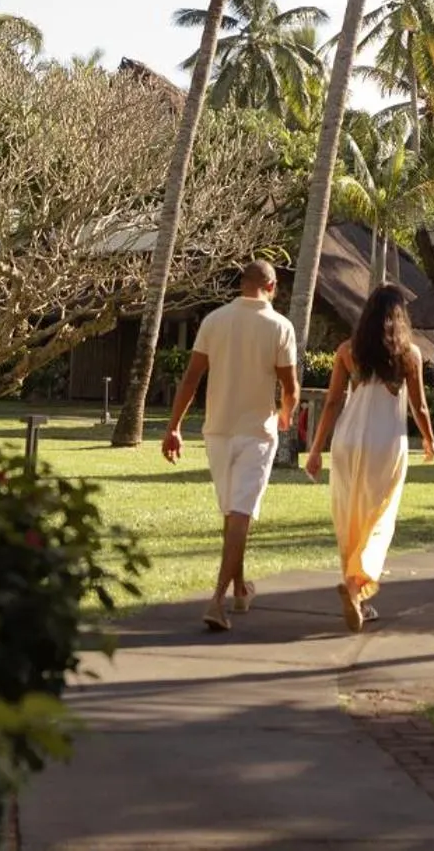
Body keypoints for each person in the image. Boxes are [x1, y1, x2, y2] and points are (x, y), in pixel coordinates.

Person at [162, 260, 299, 632]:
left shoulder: (214, 321)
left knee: (232, 513)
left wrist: (173, 426)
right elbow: (290, 386)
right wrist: (286, 414)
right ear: (272, 287)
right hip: (256, 431)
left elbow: (191, 379)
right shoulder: (280, 326)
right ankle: (218, 600)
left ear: (243, 284)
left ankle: (240, 589)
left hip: (216, 430)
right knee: (240, 514)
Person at [304, 285, 434, 632]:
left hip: (348, 441)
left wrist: (316, 449)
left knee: (349, 513)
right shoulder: (410, 355)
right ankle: (356, 586)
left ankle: (355, 588)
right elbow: (418, 405)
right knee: (379, 517)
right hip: (387, 442)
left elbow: (332, 403)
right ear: (399, 317)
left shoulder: (348, 351)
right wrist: (429, 439)